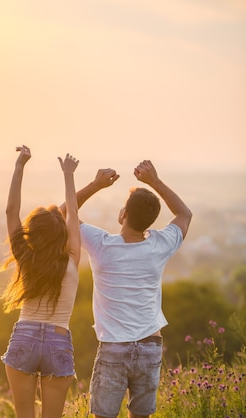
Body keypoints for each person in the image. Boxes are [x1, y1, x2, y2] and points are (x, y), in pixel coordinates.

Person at [68, 160, 192, 418]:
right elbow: (184, 214)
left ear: (123, 214)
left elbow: (61, 214)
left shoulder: (101, 244)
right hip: (150, 345)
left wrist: (96, 185)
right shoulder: (159, 244)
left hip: (114, 346)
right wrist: (154, 182)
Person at [0, 146, 81, 418]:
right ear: (61, 234)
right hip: (58, 341)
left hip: (25, 336)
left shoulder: (25, 257)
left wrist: (19, 166)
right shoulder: (71, 259)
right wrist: (68, 175)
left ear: (31, 233)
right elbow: (73, 214)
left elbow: (11, 211)